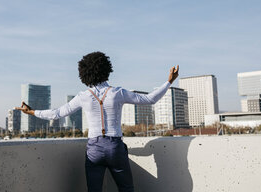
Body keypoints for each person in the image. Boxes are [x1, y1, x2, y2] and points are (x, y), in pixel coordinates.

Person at [15, 51, 179, 192]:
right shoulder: (117, 93)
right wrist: (169, 81)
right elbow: (150, 99)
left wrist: (31, 111)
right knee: (127, 189)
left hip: (94, 149)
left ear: (84, 74)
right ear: (107, 69)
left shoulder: (83, 96)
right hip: (115, 147)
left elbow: (56, 114)